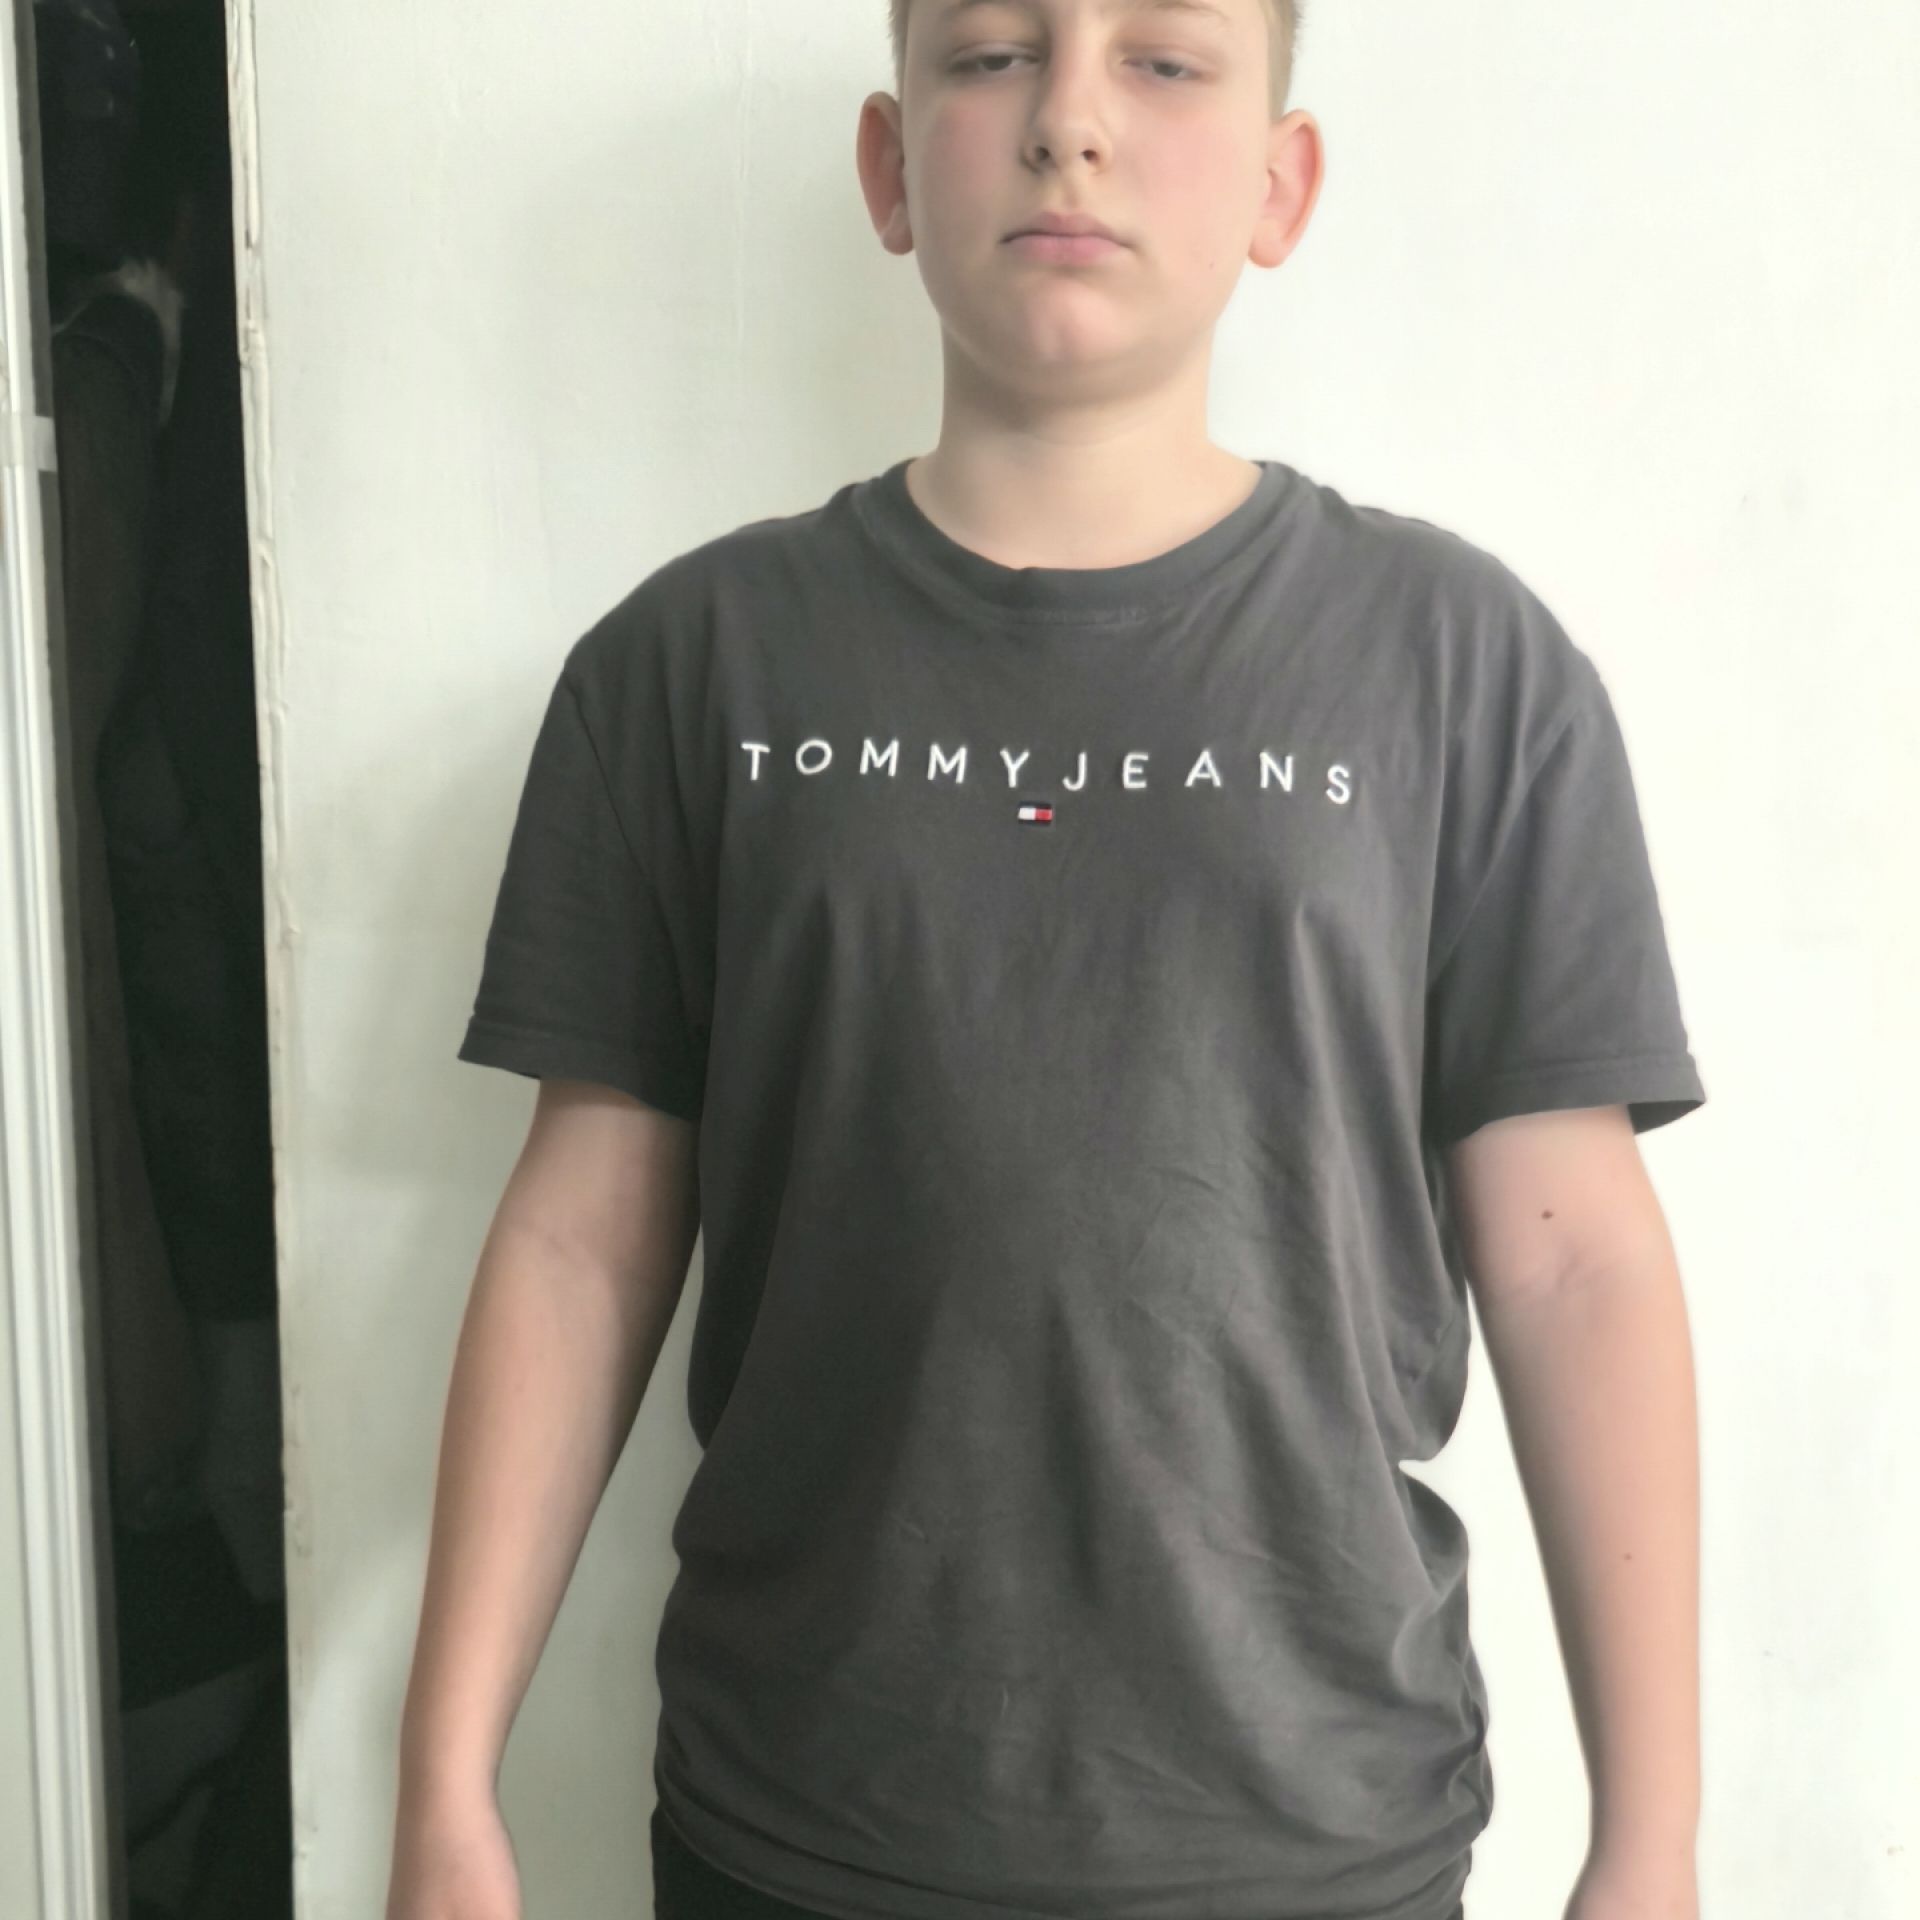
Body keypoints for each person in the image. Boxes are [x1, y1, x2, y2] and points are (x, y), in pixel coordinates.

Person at [387, 4, 1708, 1919]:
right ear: (887, 164)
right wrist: (444, 1784)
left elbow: (1577, 1259)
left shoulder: (1466, 670)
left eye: (1163, 59)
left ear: (1281, 183)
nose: (1068, 118)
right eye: (994, 51)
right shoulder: (690, 667)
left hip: (1317, 1841)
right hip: (799, 1835)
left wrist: (1650, 1842)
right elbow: (580, 1242)